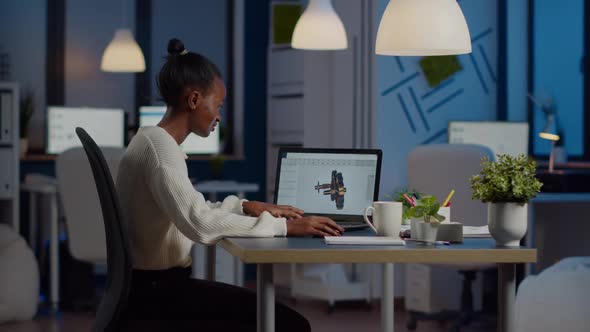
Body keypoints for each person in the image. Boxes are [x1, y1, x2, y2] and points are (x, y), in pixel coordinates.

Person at [116, 38, 344, 331]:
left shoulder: (151, 140)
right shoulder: (161, 151)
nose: (219, 116)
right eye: (218, 104)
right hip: (157, 297)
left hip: (152, 289)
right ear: (194, 100)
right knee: (291, 325)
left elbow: (192, 208)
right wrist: (284, 227)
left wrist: (246, 207)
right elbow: (199, 223)